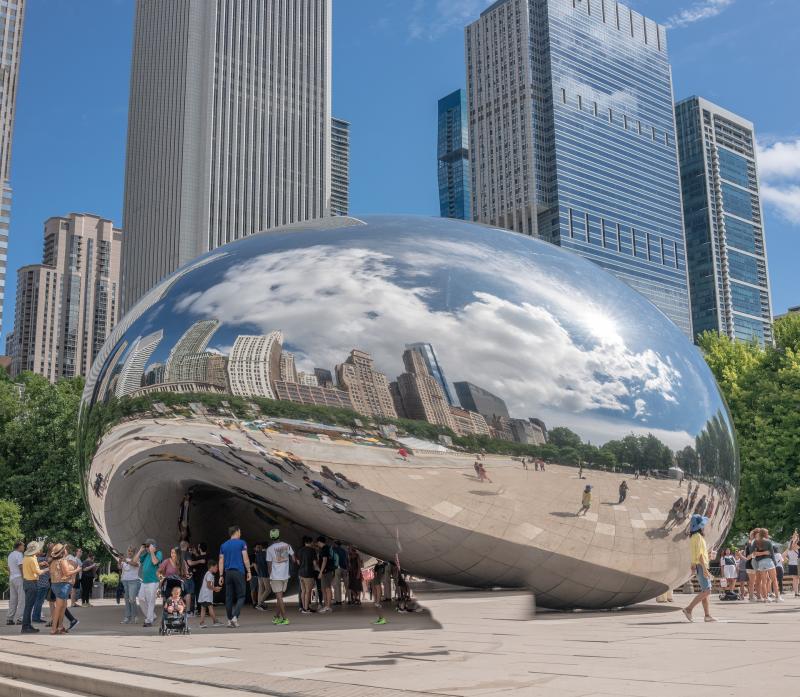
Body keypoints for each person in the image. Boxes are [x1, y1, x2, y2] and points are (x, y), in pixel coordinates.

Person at [682, 514, 716, 622]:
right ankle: (689, 609)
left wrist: (694, 565)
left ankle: (707, 615)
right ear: (700, 526)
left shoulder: (693, 537)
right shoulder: (699, 538)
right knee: (707, 590)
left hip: (698, 565)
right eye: (702, 524)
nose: (703, 526)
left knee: (704, 591)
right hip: (702, 566)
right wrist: (705, 569)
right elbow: (700, 555)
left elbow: (695, 554)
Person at [218, 525, 251, 627]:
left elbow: (221, 561)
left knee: (228, 597)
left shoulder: (223, 545)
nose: (240, 534)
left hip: (228, 573)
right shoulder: (242, 543)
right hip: (239, 572)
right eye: (240, 531)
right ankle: (235, 617)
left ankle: (229, 619)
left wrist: (220, 575)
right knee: (241, 596)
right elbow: (245, 558)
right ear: (236, 532)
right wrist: (249, 571)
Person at [48, 544, 80, 635]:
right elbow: (67, 573)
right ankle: (54, 629)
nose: (66, 550)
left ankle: (60, 627)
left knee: (62, 607)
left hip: (55, 585)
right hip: (62, 586)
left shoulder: (54, 561)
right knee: (59, 608)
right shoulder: (63, 561)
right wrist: (77, 570)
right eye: (65, 549)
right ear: (62, 552)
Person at [265, 528, 294, 625]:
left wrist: (270, 576)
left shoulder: (269, 549)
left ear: (271, 537)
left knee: (279, 597)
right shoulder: (287, 545)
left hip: (276, 576)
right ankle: (276, 617)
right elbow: (293, 558)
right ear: (279, 535)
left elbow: (269, 565)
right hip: (285, 575)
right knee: (279, 597)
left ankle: (285, 618)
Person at [752, 528, 781, 602]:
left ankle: (766, 598)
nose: (768, 534)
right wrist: (774, 562)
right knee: (774, 580)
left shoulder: (755, 542)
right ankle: (777, 597)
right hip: (769, 561)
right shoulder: (768, 542)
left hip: (761, 562)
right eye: (767, 533)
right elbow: (772, 554)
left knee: (763, 581)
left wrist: (761, 553)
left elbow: (754, 553)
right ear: (765, 534)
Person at [138, 539, 162, 628]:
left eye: (148, 546)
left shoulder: (158, 553)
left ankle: (149, 620)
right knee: (141, 599)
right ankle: (152, 616)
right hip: (144, 581)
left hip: (153, 581)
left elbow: (155, 562)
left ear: (153, 546)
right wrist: (141, 550)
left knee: (150, 601)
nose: (147, 548)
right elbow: (136, 560)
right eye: (146, 546)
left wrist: (152, 552)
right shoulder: (145, 554)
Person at [21, 540, 44, 633]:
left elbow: (32, 568)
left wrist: (39, 565)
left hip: (27, 582)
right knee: (29, 606)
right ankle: (26, 627)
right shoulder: (32, 558)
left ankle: (27, 625)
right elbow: (38, 572)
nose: (40, 550)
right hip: (32, 583)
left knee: (28, 606)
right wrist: (47, 569)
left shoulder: (26, 557)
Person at [119, 546, 141, 624]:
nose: (130, 552)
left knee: (132, 599)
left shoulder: (137, 559)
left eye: (131, 551)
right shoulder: (124, 560)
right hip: (125, 581)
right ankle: (127, 617)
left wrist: (126, 561)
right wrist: (119, 561)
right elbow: (119, 567)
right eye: (128, 551)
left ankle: (135, 616)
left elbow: (135, 564)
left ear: (134, 553)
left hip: (133, 581)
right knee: (126, 600)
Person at [198, 561, 222, 628]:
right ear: (211, 567)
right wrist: (215, 589)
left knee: (203, 608)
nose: (217, 568)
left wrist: (214, 588)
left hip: (203, 595)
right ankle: (215, 621)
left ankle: (202, 623)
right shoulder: (210, 575)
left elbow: (208, 585)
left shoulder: (207, 573)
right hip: (207, 595)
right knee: (210, 607)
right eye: (216, 567)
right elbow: (209, 585)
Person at [297, 536, 318, 613]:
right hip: (308, 573)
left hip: (301, 573)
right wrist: (319, 570)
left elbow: (298, 562)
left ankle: (303, 607)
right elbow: (314, 563)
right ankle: (306, 608)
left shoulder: (300, 550)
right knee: (308, 591)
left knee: (303, 591)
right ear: (311, 542)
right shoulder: (312, 550)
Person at [6, 541, 24, 625]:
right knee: (21, 599)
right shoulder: (19, 554)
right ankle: (20, 618)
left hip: (12, 578)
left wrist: (10, 577)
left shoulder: (10, 555)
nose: (24, 547)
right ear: (19, 546)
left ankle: (10, 618)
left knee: (13, 599)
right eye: (23, 546)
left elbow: (9, 568)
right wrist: (24, 577)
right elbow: (21, 566)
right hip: (19, 577)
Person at [32, 545, 52, 624]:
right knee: (39, 602)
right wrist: (50, 550)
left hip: (40, 584)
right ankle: (36, 617)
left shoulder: (36, 559)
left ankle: (35, 617)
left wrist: (49, 550)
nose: (41, 551)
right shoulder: (39, 559)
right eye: (40, 550)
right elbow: (49, 558)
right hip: (42, 585)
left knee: (38, 601)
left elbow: (47, 557)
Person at [316, 536, 334, 613]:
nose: (317, 544)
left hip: (326, 572)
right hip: (328, 571)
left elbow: (324, 560)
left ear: (320, 542)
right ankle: (327, 605)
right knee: (325, 589)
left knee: (327, 589)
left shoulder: (324, 549)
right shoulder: (328, 548)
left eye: (317, 543)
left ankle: (328, 606)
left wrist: (321, 572)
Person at [254, 542, 270, 610]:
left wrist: (258, 572)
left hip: (259, 574)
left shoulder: (257, 554)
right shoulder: (267, 554)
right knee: (268, 589)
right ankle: (260, 603)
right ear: (267, 547)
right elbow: (268, 564)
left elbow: (256, 564)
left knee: (260, 589)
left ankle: (259, 604)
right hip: (265, 573)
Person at [371, 560, 388, 625]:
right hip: (376, 598)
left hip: (377, 599)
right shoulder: (377, 578)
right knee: (376, 607)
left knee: (378, 606)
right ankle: (380, 619)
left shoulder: (377, 578)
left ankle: (382, 619)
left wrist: (377, 601)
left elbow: (379, 590)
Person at [332, 540, 347, 605]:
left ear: (335, 544)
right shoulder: (344, 551)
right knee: (346, 585)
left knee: (337, 585)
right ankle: (349, 599)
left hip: (337, 568)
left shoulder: (334, 549)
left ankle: (338, 601)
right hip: (344, 568)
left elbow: (333, 558)